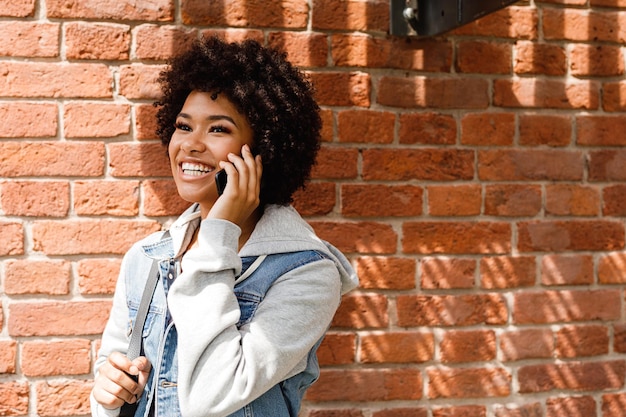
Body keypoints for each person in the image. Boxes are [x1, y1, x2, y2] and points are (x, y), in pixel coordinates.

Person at [90, 36, 359, 417]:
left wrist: (218, 234)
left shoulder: (308, 275)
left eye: (218, 130)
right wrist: (107, 392)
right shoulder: (147, 258)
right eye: (184, 127)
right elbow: (110, 384)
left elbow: (210, 397)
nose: (191, 145)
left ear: (264, 148)